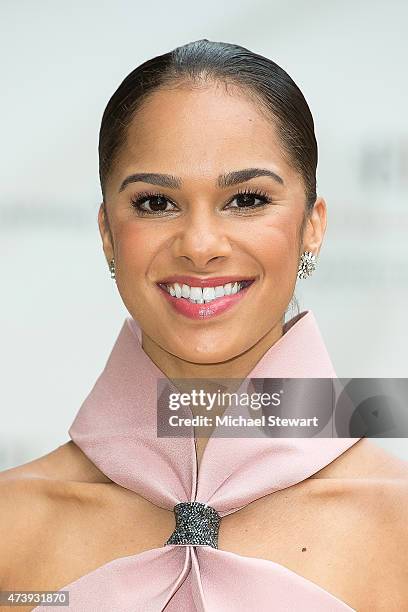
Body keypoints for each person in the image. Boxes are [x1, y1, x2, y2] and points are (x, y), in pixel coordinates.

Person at [1, 39, 407, 612]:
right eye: (155, 203)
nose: (199, 246)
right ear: (107, 233)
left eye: (245, 199)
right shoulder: (10, 528)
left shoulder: (400, 529)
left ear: (313, 225)